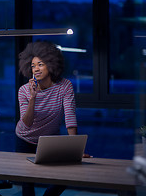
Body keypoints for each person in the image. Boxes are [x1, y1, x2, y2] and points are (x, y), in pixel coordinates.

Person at [15, 41, 87, 196]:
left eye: (40, 64)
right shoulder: (23, 91)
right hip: (24, 139)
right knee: (28, 186)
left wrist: (75, 149)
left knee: (66, 175)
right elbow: (26, 123)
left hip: (49, 141)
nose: (36, 69)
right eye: (33, 66)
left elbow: (70, 116)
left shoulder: (64, 86)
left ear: (51, 64)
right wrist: (33, 98)